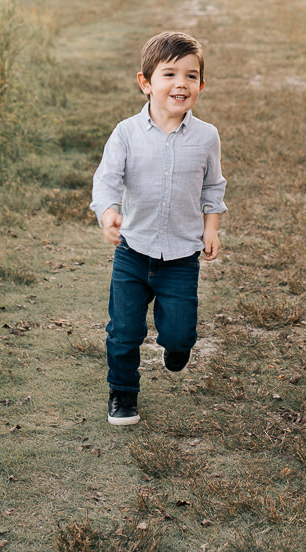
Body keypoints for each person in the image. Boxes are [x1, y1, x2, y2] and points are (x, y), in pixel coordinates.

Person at [92, 31, 226, 427]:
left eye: (191, 75)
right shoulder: (126, 133)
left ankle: (177, 347)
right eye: (169, 74)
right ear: (146, 83)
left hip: (182, 257)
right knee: (123, 331)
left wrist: (211, 228)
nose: (180, 84)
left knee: (181, 333)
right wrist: (109, 214)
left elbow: (213, 187)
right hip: (133, 252)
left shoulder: (206, 137)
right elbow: (107, 181)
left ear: (201, 85)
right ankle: (123, 393)